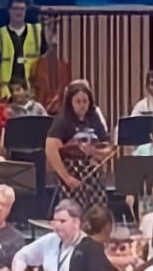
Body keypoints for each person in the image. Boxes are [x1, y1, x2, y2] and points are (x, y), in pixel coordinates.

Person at [44, 80, 112, 210]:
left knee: (98, 211)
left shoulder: (94, 118)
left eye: (85, 101)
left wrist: (96, 153)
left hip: (92, 173)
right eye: (78, 101)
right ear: (71, 102)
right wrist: (66, 177)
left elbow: (107, 146)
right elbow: (50, 149)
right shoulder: (62, 121)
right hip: (71, 173)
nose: (82, 105)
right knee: (73, 211)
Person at [0, 0, 47, 96]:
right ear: (9, 11)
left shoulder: (37, 31)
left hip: (31, 89)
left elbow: (44, 57)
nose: (19, 12)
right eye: (15, 8)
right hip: (7, 91)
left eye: (22, 9)